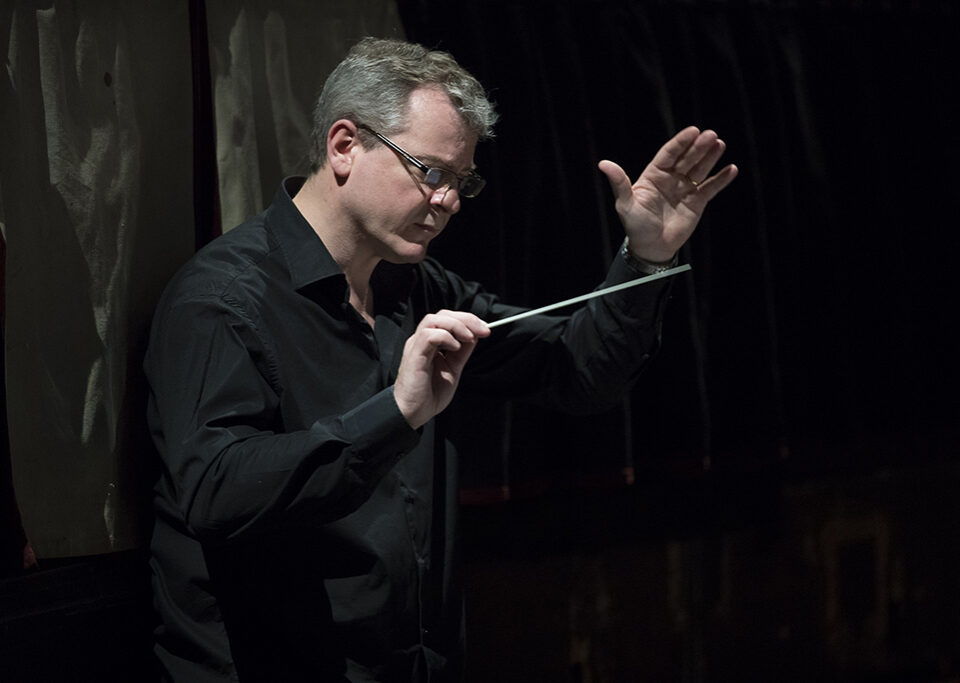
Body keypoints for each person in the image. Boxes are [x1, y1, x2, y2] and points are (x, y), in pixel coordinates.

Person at [144, 36, 737, 682]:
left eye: (462, 181)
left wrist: (646, 256)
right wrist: (395, 411)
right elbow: (216, 490)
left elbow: (574, 366)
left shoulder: (417, 288)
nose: (449, 200)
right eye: (430, 171)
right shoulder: (224, 298)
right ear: (345, 146)